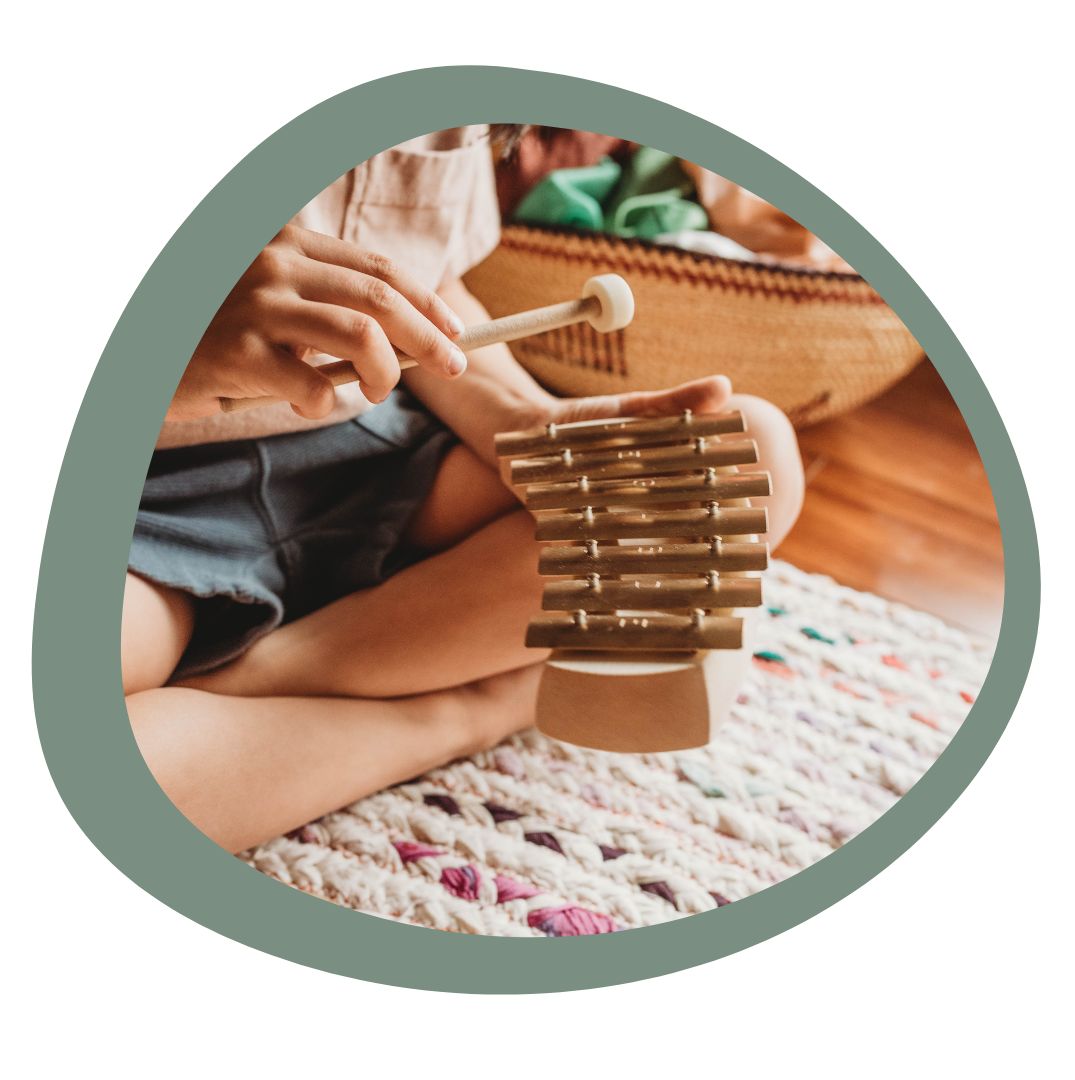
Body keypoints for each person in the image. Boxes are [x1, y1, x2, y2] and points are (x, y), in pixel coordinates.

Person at [122, 125, 805, 853]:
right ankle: (466, 706)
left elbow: (431, 278)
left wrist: (526, 424)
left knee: (738, 460)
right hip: (149, 494)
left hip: (383, 443)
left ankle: (270, 678)